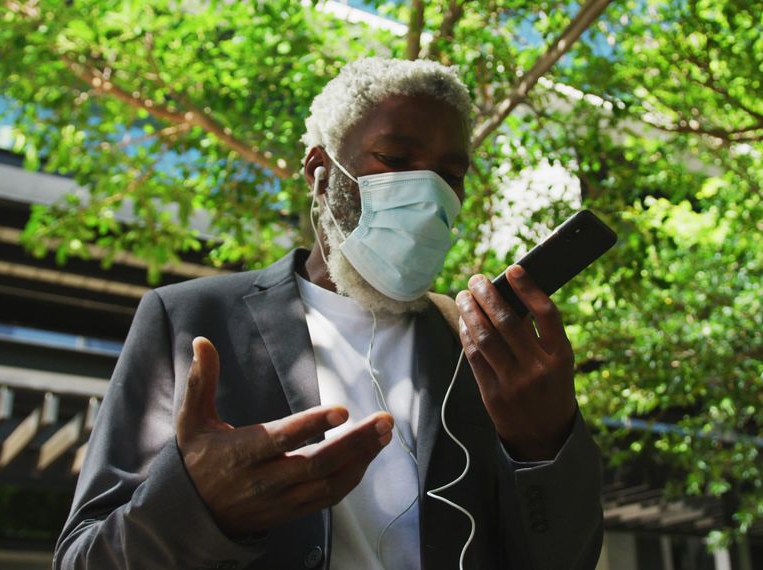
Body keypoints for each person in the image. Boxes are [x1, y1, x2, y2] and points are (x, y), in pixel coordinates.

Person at [54, 57, 603, 570]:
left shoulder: (479, 351)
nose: (428, 191)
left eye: (450, 174)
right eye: (394, 160)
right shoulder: (191, 318)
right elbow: (83, 556)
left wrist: (545, 445)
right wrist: (197, 507)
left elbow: (566, 557)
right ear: (320, 170)